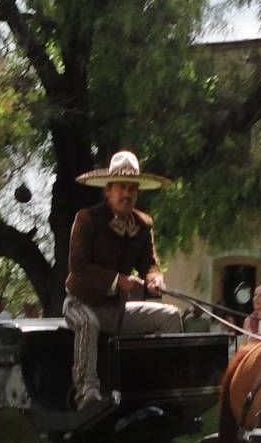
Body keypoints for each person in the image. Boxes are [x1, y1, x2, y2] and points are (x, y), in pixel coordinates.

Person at [64, 150, 183, 408]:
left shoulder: (143, 225)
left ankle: (168, 387)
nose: (127, 194)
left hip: (117, 311)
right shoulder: (87, 219)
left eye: (132, 188)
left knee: (171, 317)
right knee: (88, 323)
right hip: (80, 304)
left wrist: (154, 278)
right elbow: (78, 266)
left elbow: (150, 263)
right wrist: (118, 280)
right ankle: (87, 393)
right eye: (121, 188)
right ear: (108, 190)